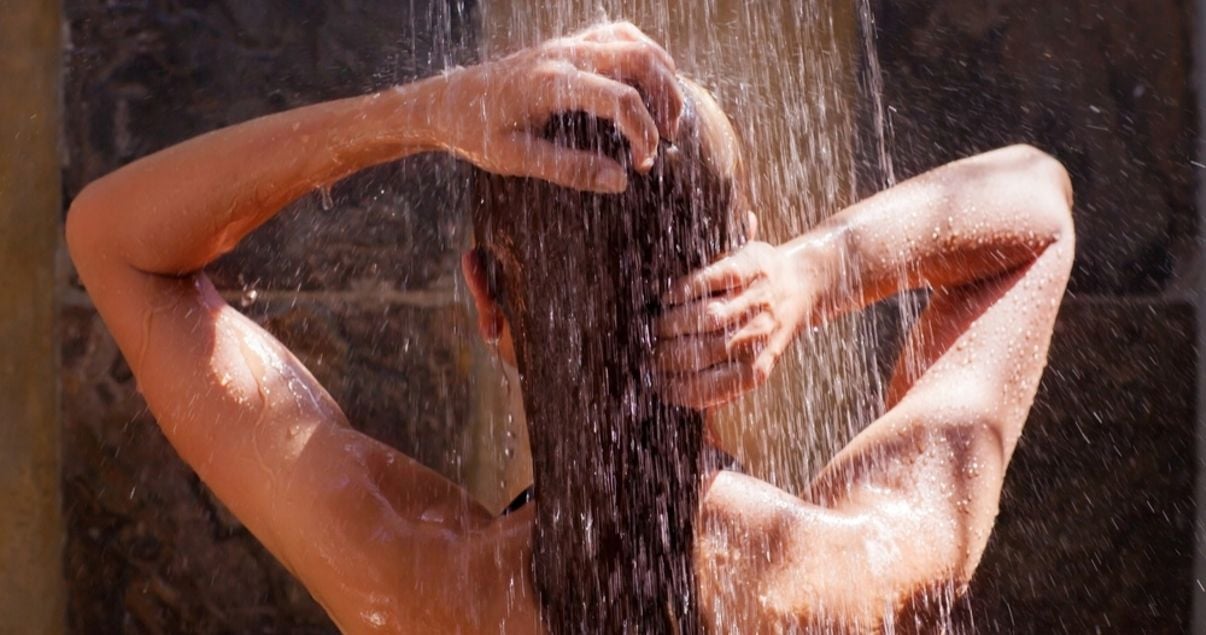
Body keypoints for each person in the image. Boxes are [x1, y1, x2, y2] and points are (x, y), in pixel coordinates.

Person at [66, 21, 1074, 634]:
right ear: (734, 277)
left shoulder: (411, 578)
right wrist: (819, 270)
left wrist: (420, 112)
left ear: (486, 302)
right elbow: (1036, 208)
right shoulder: (856, 572)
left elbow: (116, 241)